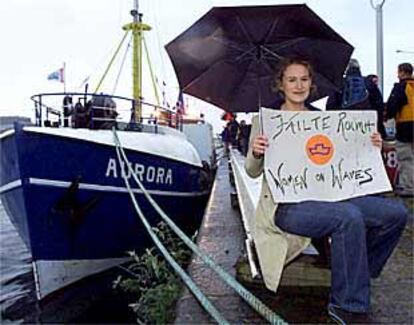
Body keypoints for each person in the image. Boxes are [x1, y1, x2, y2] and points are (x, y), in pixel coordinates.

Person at [245, 57, 408, 324]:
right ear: (281, 85)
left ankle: (356, 271)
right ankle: (347, 306)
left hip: (328, 195)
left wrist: (371, 144)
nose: (299, 85)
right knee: (348, 217)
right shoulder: (265, 121)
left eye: (304, 79)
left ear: (311, 83)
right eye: (292, 79)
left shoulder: (325, 120)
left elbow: (345, 158)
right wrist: (256, 151)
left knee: (395, 214)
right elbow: (252, 171)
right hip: (287, 207)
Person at [327, 59, 386, 138]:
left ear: (346, 69)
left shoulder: (340, 84)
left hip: (344, 126)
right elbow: (379, 106)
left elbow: (330, 106)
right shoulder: (369, 83)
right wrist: (380, 128)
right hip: (367, 125)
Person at [386, 62, 414, 197]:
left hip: (406, 126)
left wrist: (386, 117)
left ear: (402, 72)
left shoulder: (401, 87)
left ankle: (408, 187)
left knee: (405, 157)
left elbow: (393, 105)